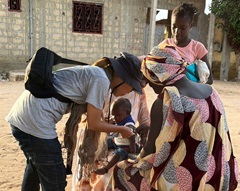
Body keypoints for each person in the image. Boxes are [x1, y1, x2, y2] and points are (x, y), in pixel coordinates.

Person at [5, 52, 143, 191]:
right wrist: (122, 130)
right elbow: (93, 123)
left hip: (24, 118)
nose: (130, 91)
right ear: (121, 77)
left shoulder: (96, 73)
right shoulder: (101, 80)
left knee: (35, 166)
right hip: (35, 123)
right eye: (132, 86)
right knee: (56, 181)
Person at [106, 46, 239, 190]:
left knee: (121, 172)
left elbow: (150, 149)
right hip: (215, 176)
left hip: (182, 181)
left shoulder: (166, 99)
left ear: (158, 76)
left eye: (149, 78)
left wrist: (135, 159)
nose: (149, 85)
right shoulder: (213, 93)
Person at [158, 3, 213, 84]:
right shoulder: (164, 45)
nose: (177, 32)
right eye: (174, 27)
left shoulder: (197, 48)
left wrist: (190, 82)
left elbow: (209, 79)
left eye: (182, 28)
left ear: (190, 26)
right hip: (168, 90)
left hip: (188, 92)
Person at [94, 98, 137, 175]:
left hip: (125, 146)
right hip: (116, 142)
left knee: (119, 153)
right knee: (103, 141)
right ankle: (96, 158)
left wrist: (132, 152)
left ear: (127, 113)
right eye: (114, 115)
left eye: (118, 115)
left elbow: (132, 138)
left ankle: (105, 169)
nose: (115, 118)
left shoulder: (129, 125)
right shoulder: (121, 120)